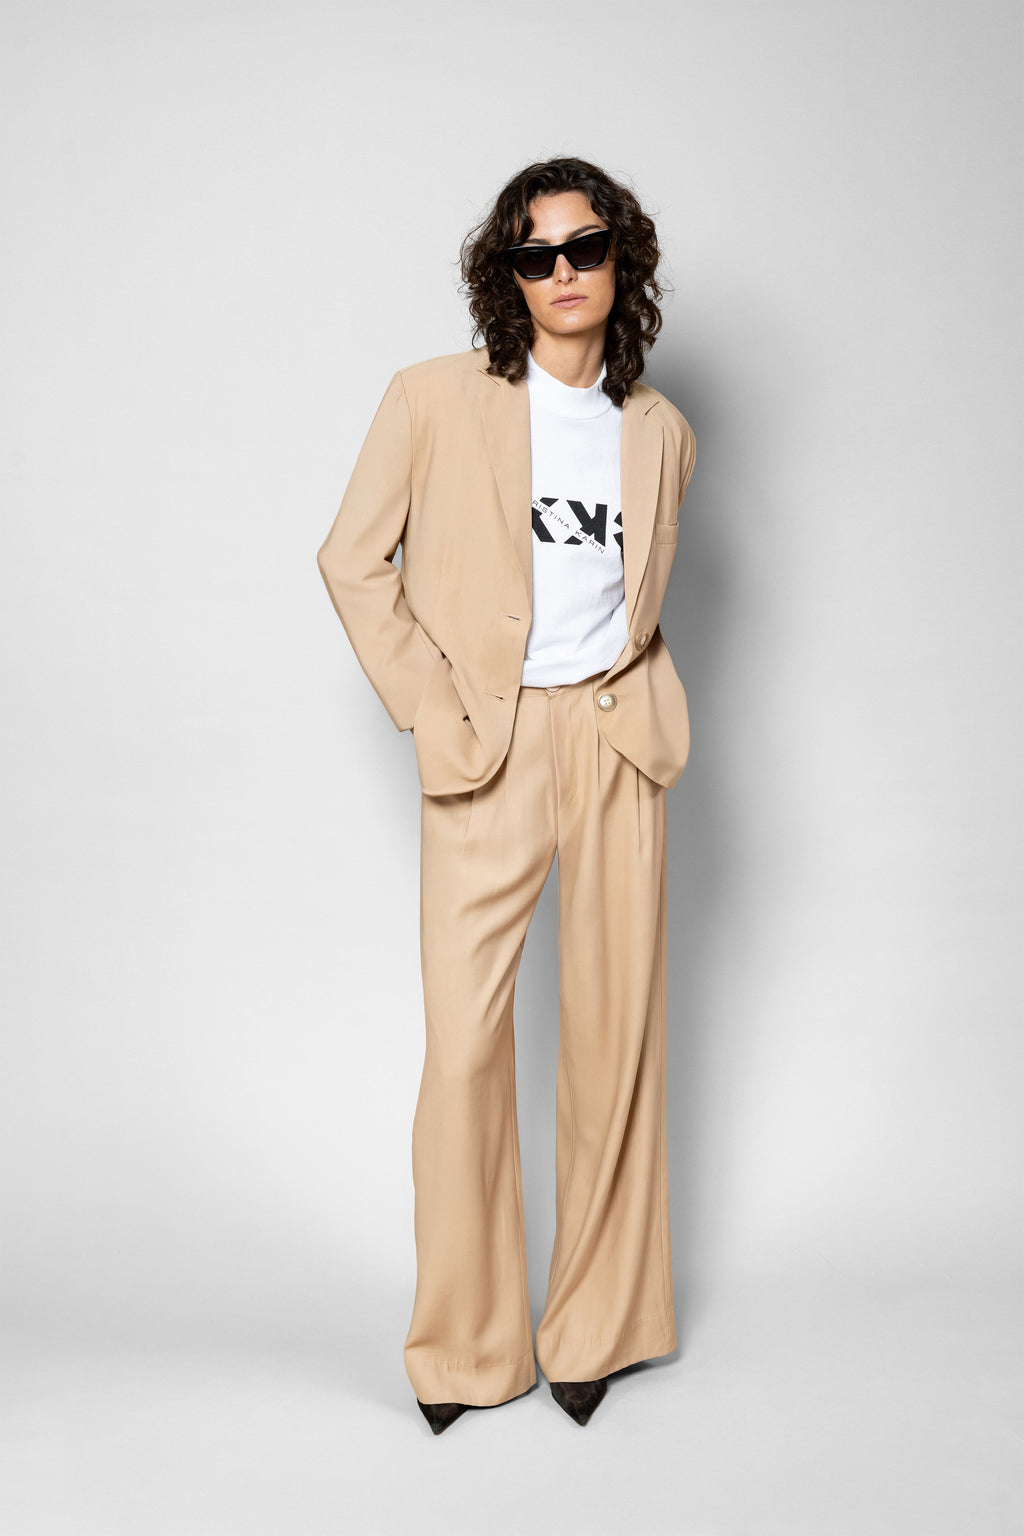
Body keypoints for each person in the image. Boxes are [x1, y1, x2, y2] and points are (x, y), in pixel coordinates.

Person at [316, 155, 697, 1434]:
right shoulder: (433, 398)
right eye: (536, 256)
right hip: (489, 740)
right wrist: (433, 702)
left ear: (620, 261)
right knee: (469, 1047)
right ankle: (468, 1348)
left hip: (616, 737)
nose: (563, 273)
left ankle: (598, 1327)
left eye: (585, 248)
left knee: (613, 1038)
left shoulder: (661, 432)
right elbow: (351, 557)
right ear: (509, 276)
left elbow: (632, 596)